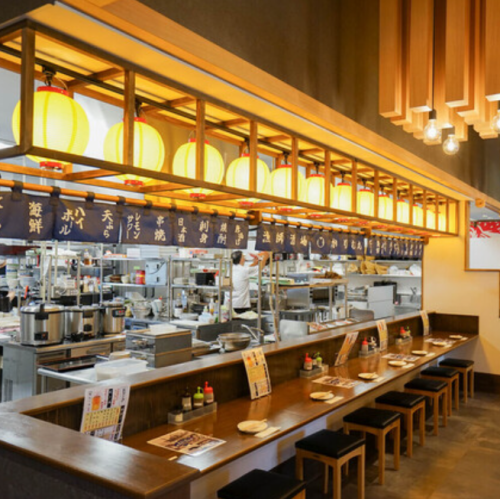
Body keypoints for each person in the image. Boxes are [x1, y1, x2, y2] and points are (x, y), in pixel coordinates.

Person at [230, 250, 269, 315]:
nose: (245, 258)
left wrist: (255, 262)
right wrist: (265, 257)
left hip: (230, 304)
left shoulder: (231, 269)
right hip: (241, 305)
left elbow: (248, 269)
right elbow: (260, 267)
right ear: (241, 259)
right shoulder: (244, 270)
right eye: (243, 257)